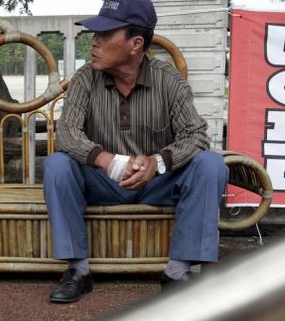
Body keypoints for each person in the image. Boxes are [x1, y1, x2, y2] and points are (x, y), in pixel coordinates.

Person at [43, 0, 229, 303]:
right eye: (95, 34)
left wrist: (157, 162)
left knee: (211, 164)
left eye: (105, 34)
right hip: (102, 182)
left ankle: (178, 273)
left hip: (156, 183)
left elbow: (195, 135)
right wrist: (107, 161)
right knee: (57, 164)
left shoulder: (168, 81)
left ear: (136, 43)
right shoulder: (84, 78)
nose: (94, 41)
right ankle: (78, 271)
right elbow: (67, 133)